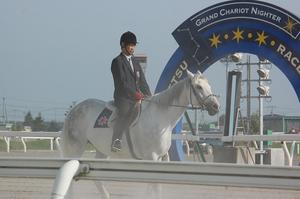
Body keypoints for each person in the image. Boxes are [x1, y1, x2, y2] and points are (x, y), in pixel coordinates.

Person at [111, 31, 151, 152]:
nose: (132, 47)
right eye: (130, 45)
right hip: (123, 98)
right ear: (123, 45)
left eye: (134, 45)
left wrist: (149, 95)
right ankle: (116, 140)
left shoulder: (135, 61)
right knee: (124, 112)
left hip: (137, 97)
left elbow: (142, 81)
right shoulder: (117, 62)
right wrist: (135, 94)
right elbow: (122, 83)